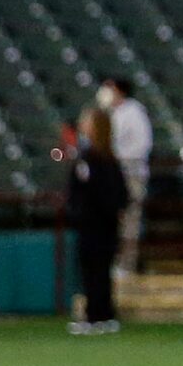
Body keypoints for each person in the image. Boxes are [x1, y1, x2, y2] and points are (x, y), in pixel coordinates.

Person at [64, 108, 128, 335]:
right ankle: (98, 314)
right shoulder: (92, 157)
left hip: (99, 225)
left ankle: (100, 315)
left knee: (98, 270)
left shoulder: (101, 160)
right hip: (92, 224)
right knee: (92, 271)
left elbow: (115, 195)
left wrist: (92, 212)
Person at [96, 76, 153, 279]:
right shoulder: (109, 114)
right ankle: (110, 262)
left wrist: (117, 160)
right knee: (111, 222)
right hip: (111, 176)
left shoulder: (134, 112)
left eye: (109, 87)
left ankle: (126, 265)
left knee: (130, 221)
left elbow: (142, 145)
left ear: (119, 91)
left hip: (131, 175)